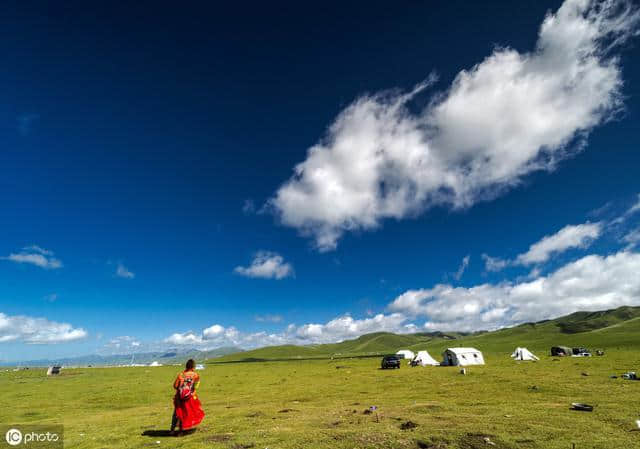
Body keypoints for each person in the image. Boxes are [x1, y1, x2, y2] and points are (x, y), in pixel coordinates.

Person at [170, 359, 205, 435]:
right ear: (193, 367)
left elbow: (175, 386)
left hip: (179, 397)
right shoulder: (196, 375)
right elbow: (196, 386)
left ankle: (172, 430)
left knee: (177, 413)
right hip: (189, 397)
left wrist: (181, 388)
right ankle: (181, 431)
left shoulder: (181, 375)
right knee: (186, 412)